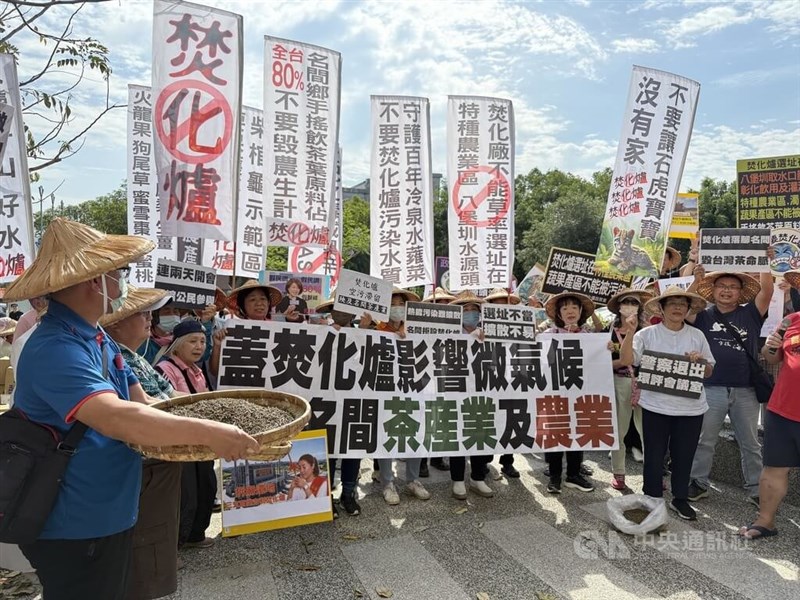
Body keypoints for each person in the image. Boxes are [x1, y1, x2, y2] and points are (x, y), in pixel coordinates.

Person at [5, 218, 259, 600]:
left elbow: (145, 402)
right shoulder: (55, 348)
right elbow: (118, 417)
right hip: (75, 520)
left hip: (110, 509)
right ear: (95, 280)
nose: (123, 282)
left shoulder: (96, 336)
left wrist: (215, 417)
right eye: (119, 273)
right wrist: (209, 433)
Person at [101, 286, 183, 600]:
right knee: (145, 549)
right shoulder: (113, 355)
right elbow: (146, 410)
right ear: (115, 322)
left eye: (150, 312)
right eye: (141, 313)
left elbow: (162, 398)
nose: (149, 319)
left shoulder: (131, 357)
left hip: (157, 462)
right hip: (142, 463)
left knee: (155, 545)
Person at [622, 286, 715, 520]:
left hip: (691, 408)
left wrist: (700, 363)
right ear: (661, 309)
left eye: (682, 304)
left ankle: (680, 498)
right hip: (655, 406)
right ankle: (652, 497)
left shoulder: (697, 336)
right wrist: (630, 332)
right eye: (671, 303)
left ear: (688, 309)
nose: (677, 308)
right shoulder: (647, 334)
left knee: (684, 455)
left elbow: (709, 371)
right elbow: (627, 359)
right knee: (653, 454)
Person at [685, 266, 773, 506]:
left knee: (751, 443)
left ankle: (756, 489)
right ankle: (699, 482)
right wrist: (696, 281)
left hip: (746, 389)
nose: (726, 291)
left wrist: (766, 264)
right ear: (712, 290)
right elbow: (685, 307)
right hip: (710, 386)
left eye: (732, 287)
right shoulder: (703, 315)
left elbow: (767, 291)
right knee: (705, 439)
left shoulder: (751, 314)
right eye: (721, 286)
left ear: (741, 292)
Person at [740, 271, 800, 539]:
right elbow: (771, 358)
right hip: (782, 410)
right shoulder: (791, 320)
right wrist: (771, 347)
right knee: (774, 469)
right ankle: (765, 521)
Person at [359, 288, 431, 505]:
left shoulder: (417, 330)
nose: (397, 308)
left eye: (401, 304)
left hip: (413, 390)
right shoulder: (377, 329)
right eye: (393, 304)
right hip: (385, 391)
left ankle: (413, 480)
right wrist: (364, 330)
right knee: (386, 434)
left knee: (415, 433)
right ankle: (387, 482)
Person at [156, 320, 217, 550]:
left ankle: (195, 535)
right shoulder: (165, 369)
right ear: (178, 344)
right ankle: (175, 545)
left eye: (202, 341)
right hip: (180, 441)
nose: (199, 346)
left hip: (201, 438)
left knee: (207, 485)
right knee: (186, 494)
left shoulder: (197, 369)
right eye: (192, 341)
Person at [541, 292, 599, 493]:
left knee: (577, 432)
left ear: (581, 311)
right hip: (555, 393)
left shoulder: (591, 337)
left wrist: (606, 348)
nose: (570, 311)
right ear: (558, 313)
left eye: (574, 307)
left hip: (581, 394)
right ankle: (555, 476)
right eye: (564, 308)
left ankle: (574, 474)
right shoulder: (548, 335)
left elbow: (598, 362)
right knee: (557, 433)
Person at [313, 298, 362, 517]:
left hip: (356, 399)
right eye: (338, 309)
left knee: (353, 449)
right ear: (331, 312)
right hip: (328, 399)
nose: (343, 313)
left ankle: (349, 494)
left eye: (347, 310)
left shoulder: (366, 335)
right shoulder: (320, 333)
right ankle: (327, 497)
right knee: (329, 449)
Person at [447, 291, 495, 499]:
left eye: (474, 310)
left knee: (479, 433)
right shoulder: (447, 332)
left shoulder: (489, 332)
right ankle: (458, 480)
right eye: (465, 310)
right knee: (457, 435)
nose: (469, 314)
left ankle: (477, 478)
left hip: (481, 392)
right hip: (454, 391)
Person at [606, 288, 652, 491]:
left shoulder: (647, 331)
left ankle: (653, 475)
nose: (630, 306)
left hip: (645, 384)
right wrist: (618, 362)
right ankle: (618, 473)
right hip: (618, 384)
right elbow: (599, 360)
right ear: (618, 307)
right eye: (626, 303)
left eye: (634, 303)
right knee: (619, 431)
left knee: (649, 433)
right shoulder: (609, 331)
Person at [483, 288, 524, 479]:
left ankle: (508, 462)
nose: (502, 307)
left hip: (514, 378)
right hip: (489, 380)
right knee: (489, 420)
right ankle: (484, 461)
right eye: (497, 304)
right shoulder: (482, 327)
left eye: (505, 303)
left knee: (511, 420)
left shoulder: (521, 325)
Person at [418, 286, 456, 476]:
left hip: (448, 379)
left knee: (442, 420)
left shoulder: (457, 329)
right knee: (426, 420)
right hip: (426, 379)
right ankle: (422, 461)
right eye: (438, 304)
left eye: (446, 304)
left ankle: (437, 457)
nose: (443, 307)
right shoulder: (421, 326)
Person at [210, 279, 282, 378]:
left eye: (263, 298)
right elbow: (216, 371)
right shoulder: (231, 331)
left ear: (269, 302)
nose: (259, 303)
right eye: (252, 299)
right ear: (242, 305)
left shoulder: (278, 330)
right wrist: (217, 346)